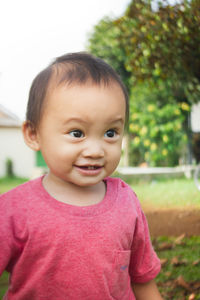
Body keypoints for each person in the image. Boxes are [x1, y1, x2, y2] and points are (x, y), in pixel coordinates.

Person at [0, 52, 163, 300]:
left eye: (110, 132)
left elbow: (142, 281)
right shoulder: (13, 210)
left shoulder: (126, 202)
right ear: (34, 134)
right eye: (77, 133)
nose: (96, 151)